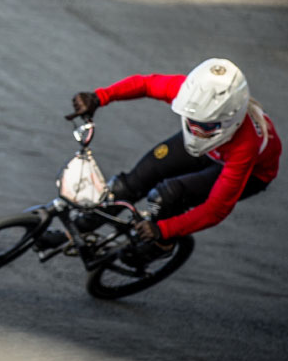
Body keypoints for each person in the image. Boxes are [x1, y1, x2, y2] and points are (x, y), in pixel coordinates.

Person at [60, 58, 280, 262]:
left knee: (168, 195)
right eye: (190, 120)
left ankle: (161, 246)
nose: (195, 131)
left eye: (204, 125)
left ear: (231, 119)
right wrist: (99, 97)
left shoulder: (247, 145)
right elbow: (145, 85)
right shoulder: (192, 94)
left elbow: (216, 209)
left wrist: (164, 230)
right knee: (134, 181)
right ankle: (79, 228)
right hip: (213, 149)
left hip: (250, 171)